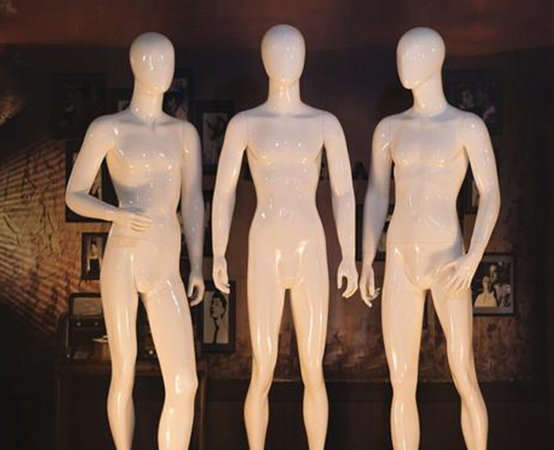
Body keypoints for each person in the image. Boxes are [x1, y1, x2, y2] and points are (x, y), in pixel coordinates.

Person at [211, 24, 358, 450]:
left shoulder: (324, 123)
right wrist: (218, 253)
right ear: (264, 60)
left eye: (294, 51)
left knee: (313, 367)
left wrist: (349, 255)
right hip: (265, 246)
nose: (286, 59)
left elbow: (343, 192)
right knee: (262, 366)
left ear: (305, 58)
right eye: (277, 51)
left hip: (310, 244)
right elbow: (223, 191)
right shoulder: (245, 124)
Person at [360, 28, 501, 450]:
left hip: (447, 258)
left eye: (413, 55)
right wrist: (367, 259)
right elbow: (377, 194)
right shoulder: (389, 129)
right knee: (401, 379)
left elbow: (491, 194)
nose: (404, 63)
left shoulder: (466, 126)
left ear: (435, 60)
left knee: (463, 372)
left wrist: (474, 257)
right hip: (400, 257)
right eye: (401, 54)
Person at [65, 33, 205, 450]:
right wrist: (116, 213)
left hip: (166, 261)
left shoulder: (184, 134)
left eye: (167, 60)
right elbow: (75, 193)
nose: (161, 68)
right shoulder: (108, 128)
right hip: (124, 254)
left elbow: (192, 201)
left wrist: (197, 264)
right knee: (123, 370)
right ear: (135, 65)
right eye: (152, 59)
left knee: (184, 381)